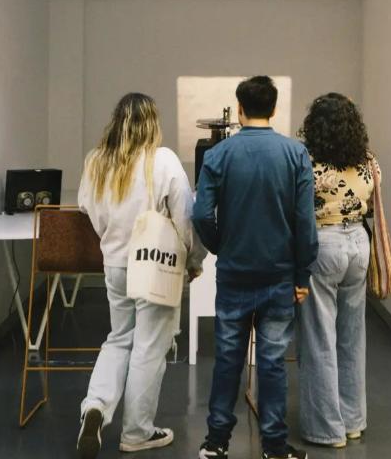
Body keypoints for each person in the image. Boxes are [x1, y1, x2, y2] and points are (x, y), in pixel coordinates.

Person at [193, 76, 318, 459]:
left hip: (234, 274)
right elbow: (305, 223)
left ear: (240, 108)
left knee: (228, 360)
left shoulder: (218, 155)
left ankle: (216, 443)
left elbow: (201, 214)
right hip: (280, 277)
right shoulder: (295, 154)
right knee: (272, 363)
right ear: (274, 109)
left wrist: (221, 247)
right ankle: (274, 447)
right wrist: (302, 274)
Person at [77, 92, 204, 459]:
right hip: (155, 265)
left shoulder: (97, 160)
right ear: (152, 123)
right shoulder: (162, 160)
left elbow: (86, 207)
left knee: (118, 339)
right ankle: (136, 433)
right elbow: (185, 217)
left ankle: (96, 405)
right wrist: (193, 260)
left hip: (115, 265)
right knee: (149, 348)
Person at [296, 93, 377, 448]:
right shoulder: (368, 161)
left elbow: (297, 204)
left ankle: (326, 429)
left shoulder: (307, 161)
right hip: (359, 244)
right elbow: (372, 197)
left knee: (319, 338)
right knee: (352, 336)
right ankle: (353, 421)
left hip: (324, 244)